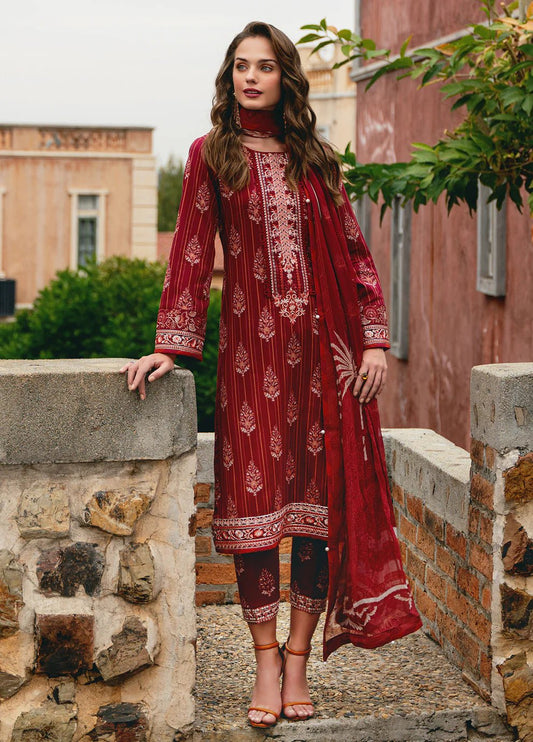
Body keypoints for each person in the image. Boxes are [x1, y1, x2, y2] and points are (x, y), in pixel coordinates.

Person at [121, 21, 422, 730]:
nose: (250, 78)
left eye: (263, 67)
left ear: (285, 77)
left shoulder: (313, 158)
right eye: (239, 67)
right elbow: (191, 254)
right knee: (257, 520)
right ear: (228, 79)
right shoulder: (210, 155)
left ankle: (296, 659)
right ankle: (262, 660)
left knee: (315, 521)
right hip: (252, 363)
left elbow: (352, 251)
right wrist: (173, 344)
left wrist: (373, 341)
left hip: (326, 362)